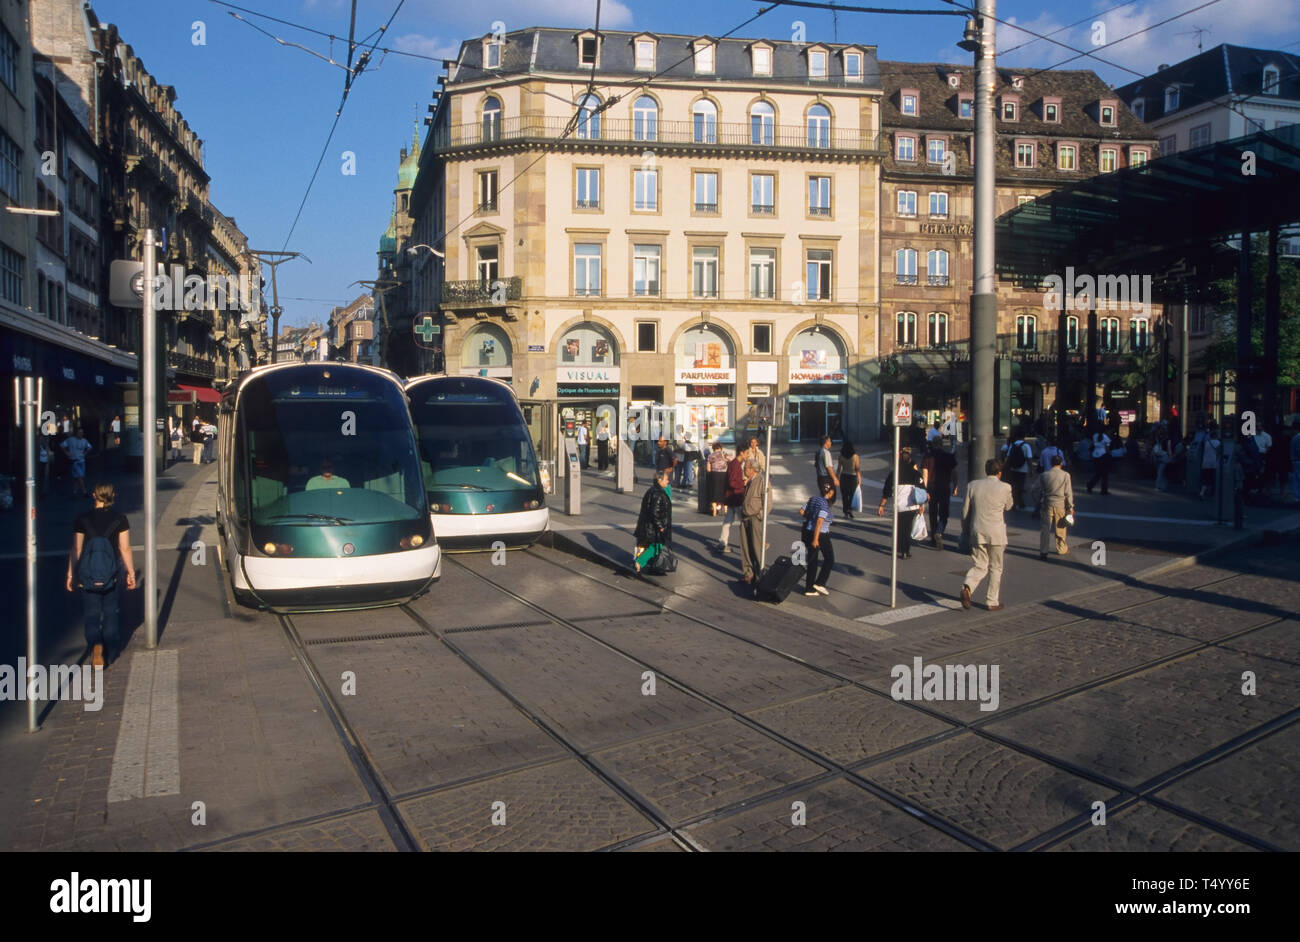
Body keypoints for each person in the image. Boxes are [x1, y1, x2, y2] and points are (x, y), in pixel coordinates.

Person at [67, 482, 136, 667]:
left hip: (88, 575)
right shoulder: (120, 519)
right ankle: (111, 650)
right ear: (113, 496)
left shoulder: (82, 519)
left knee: (91, 613)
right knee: (111, 611)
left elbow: (77, 549)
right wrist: (131, 573)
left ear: (94, 495)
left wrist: (71, 574)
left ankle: (96, 644)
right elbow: (125, 548)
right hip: (111, 573)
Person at [959, 458, 1013, 612]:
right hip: (996, 533)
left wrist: (965, 529)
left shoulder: (973, 485)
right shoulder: (1006, 487)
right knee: (996, 567)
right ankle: (991, 600)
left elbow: (965, 512)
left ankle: (967, 587)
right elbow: (1009, 506)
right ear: (1000, 473)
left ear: (986, 470)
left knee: (980, 565)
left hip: (977, 531)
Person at [878, 446, 922, 559]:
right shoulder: (915, 473)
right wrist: (921, 505)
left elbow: (886, 491)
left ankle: (900, 548)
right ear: (910, 460)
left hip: (898, 506)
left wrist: (882, 505)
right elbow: (922, 490)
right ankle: (905, 551)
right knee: (907, 528)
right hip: (911, 506)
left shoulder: (894, 474)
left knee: (899, 528)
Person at [1031, 453, 1074, 560]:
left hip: (1047, 503)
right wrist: (1070, 507)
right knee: (1061, 527)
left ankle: (1043, 551)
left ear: (1051, 463)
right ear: (1061, 463)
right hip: (1060, 504)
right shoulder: (1065, 475)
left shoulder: (1044, 475)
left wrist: (1038, 500)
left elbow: (1034, 489)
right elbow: (1068, 493)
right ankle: (1061, 548)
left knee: (1045, 528)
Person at [633, 466, 673, 572]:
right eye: (666, 479)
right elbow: (655, 512)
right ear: (659, 480)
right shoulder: (658, 494)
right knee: (657, 546)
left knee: (648, 545)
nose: (668, 481)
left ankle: (646, 563)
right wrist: (661, 527)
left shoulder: (652, 490)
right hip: (652, 527)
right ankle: (640, 562)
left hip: (646, 525)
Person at [799, 480, 835, 597]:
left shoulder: (813, 499)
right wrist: (816, 539)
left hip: (807, 531)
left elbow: (801, 511)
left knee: (812, 560)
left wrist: (810, 517)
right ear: (830, 493)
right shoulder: (824, 505)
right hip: (820, 534)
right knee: (829, 558)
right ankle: (820, 582)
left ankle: (809, 588)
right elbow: (820, 522)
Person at [921, 439, 959, 549]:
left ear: (932, 444)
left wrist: (925, 490)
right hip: (944, 487)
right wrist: (955, 485)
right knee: (944, 513)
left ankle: (933, 537)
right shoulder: (949, 456)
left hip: (932, 488)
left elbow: (925, 476)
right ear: (941, 445)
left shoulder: (927, 457)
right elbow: (954, 473)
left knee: (932, 512)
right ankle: (939, 531)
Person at [738, 452, 768, 585]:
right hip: (745, 517)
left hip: (754, 517)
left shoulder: (761, 480)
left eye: (745, 468)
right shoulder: (749, 481)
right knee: (745, 547)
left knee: (756, 547)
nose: (744, 470)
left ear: (753, 469)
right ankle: (748, 573)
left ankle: (760, 573)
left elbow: (768, 502)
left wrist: (760, 515)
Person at [717, 448, 746, 552]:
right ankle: (748, 543)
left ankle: (722, 542)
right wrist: (743, 483)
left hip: (730, 497)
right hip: (736, 496)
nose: (747, 456)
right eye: (746, 453)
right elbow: (732, 482)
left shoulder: (733, 463)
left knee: (727, 521)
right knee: (744, 521)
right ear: (741, 453)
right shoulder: (736, 465)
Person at [1000, 435, 1032, 509]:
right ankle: (1020, 502)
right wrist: (1031, 469)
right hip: (1023, 470)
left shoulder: (1012, 445)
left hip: (1013, 469)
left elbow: (1008, 458)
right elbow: (1029, 458)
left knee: (1014, 486)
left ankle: (1014, 502)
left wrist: (1004, 468)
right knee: (1020, 486)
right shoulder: (1026, 446)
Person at [61, 427, 92, 496]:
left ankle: (75, 492)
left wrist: (85, 453)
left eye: (82, 433)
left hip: (82, 461)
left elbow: (90, 447)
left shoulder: (84, 440)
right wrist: (66, 453)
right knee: (80, 476)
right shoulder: (71, 440)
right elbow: (62, 445)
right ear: (76, 433)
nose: (81, 434)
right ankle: (84, 491)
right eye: (79, 433)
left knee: (77, 477)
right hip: (74, 461)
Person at [836, 441, 860, 518]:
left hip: (844, 476)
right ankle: (850, 510)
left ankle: (845, 511)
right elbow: (857, 468)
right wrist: (859, 478)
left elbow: (839, 468)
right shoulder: (855, 456)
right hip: (853, 477)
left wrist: (836, 477)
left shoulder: (841, 456)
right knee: (852, 495)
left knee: (845, 495)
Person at [1086, 426, 1112, 495]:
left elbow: (1093, 444)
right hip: (1103, 455)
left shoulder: (1095, 435)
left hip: (1095, 454)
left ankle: (1090, 485)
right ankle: (1104, 490)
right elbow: (1107, 448)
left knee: (1098, 473)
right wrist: (1109, 455)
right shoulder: (1106, 437)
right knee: (1104, 474)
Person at [1198, 425, 1221, 499]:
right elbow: (1219, 453)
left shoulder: (1207, 443)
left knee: (1206, 480)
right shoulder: (1218, 443)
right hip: (1214, 464)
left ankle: (1202, 492)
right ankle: (1214, 494)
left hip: (1205, 463)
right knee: (1214, 479)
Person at [707, 442, 730, 516]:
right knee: (724, 491)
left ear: (713, 448)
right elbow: (730, 460)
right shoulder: (724, 454)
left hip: (714, 475)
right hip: (724, 474)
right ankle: (726, 510)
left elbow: (708, 469)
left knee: (714, 492)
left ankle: (714, 511)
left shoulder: (711, 456)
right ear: (720, 447)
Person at [814, 434, 839, 498]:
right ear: (826, 442)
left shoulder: (818, 452)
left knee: (824, 495)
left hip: (820, 478)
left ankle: (823, 506)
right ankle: (824, 507)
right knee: (829, 496)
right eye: (830, 441)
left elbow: (816, 465)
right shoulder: (826, 453)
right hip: (826, 478)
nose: (831, 443)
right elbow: (829, 467)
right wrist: (835, 479)